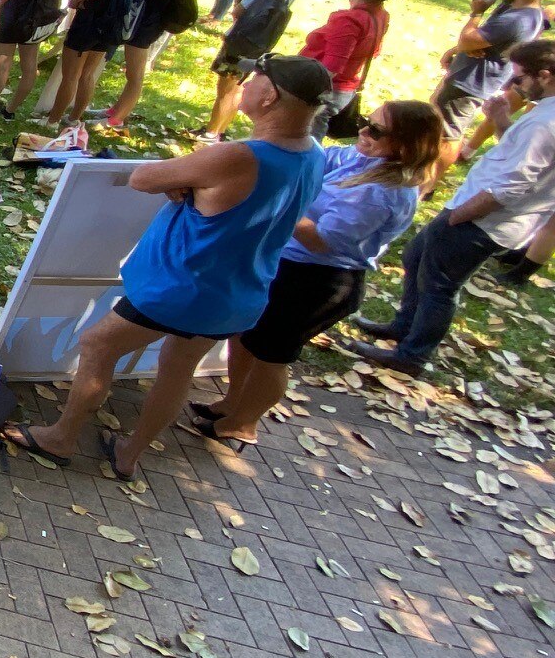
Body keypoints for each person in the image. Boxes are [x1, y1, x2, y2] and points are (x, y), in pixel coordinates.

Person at [1, 55, 332, 478]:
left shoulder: (238, 156)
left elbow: (143, 178)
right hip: (238, 294)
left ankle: (61, 437)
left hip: (180, 290)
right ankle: (129, 453)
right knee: (178, 369)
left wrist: (189, 179)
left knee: (97, 346)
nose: (242, 87)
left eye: (251, 81)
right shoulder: (313, 153)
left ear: (268, 96)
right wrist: (194, 184)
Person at [184, 101, 442, 448]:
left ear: (406, 145)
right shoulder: (360, 157)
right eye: (367, 122)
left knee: (271, 355)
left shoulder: (383, 193)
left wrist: (281, 203)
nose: (363, 131)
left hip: (320, 282)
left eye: (376, 130)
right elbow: (315, 158)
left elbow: (322, 241)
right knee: (244, 335)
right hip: (290, 264)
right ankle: (233, 402)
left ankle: (243, 423)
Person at [344, 41, 555, 373]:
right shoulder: (543, 114)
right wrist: (500, 120)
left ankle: (412, 356)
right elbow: (523, 152)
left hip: (484, 219)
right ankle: (403, 328)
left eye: (519, 78)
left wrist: (460, 216)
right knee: (416, 256)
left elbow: (513, 184)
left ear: (544, 76)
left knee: (439, 286)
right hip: (480, 212)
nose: (513, 85)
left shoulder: (545, 122)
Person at [431, 0, 550, 170]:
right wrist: (458, 49)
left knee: (448, 134)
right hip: (469, 75)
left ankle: (427, 186)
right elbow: (474, 42)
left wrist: (476, 13)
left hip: (472, 82)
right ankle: (425, 173)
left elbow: (469, 40)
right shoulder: (519, 9)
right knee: (439, 120)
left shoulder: (517, 19)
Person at [205, 0, 309, 140]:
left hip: (240, 40)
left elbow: (238, 11)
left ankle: (211, 132)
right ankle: (221, 129)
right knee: (237, 86)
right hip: (259, 43)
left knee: (225, 88)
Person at [98, 0, 193, 130]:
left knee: (134, 75)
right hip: (154, 23)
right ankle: (116, 110)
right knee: (133, 73)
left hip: (146, 24)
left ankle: (117, 118)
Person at [44, 0, 140, 129]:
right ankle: (74, 118)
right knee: (87, 76)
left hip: (85, 29)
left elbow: (73, 1)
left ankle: (52, 120)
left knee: (70, 76)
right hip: (107, 33)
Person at [299, 0, 395, 139]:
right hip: (345, 89)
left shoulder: (348, 20)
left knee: (305, 143)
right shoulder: (381, 15)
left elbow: (331, 68)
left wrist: (302, 92)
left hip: (324, 92)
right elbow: (374, 51)